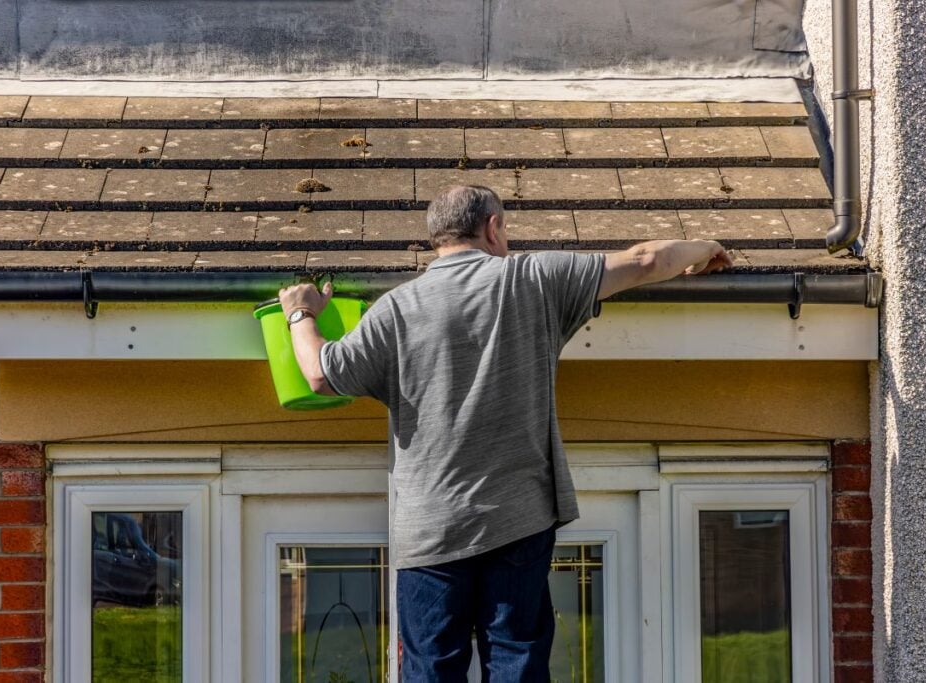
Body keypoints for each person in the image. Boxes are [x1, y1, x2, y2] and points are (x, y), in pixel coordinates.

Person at [278, 185, 732, 682]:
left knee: (431, 670)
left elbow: (321, 374)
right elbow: (644, 260)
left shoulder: (397, 309)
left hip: (430, 532)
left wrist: (301, 313)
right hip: (518, 520)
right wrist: (704, 248)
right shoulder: (534, 278)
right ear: (493, 227)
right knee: (517, 661)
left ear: (437, 238)